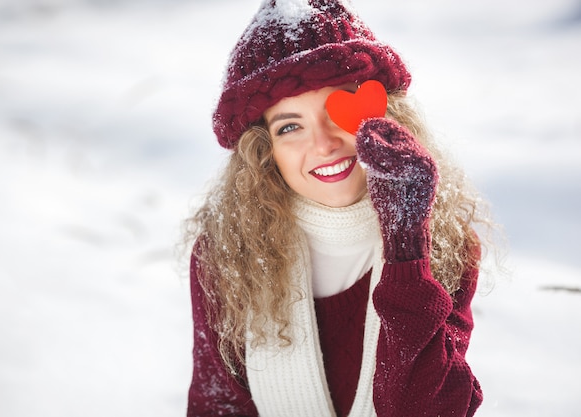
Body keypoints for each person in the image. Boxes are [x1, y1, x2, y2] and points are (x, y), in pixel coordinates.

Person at [184, 0, 496, 415]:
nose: (324, 144)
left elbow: (432, 407)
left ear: (386, 115)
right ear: (264, 152)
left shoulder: (444, 244)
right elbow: (217, 406)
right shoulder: (227, 255)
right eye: (290, 126)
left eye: (339, 110)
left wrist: (407, 249)